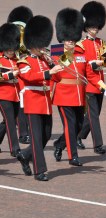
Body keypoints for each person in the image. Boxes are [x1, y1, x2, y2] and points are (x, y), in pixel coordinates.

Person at [16, 15, 63, 181]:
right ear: (32, 45)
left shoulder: (45, 61)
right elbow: (29, 77)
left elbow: (58, 79)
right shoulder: (24, 62)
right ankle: (39, 170)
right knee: (36, 137)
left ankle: (25, 155)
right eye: (40, 45)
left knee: (46, 135)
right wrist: (49, 71)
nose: (43, 47)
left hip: (45, 102)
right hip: (33, 102)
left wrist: (51, 65)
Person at [52, 8, 87, 166]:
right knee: (70, 125)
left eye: (72, 39)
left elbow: (89, 74)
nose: (70, 41)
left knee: (79, 125)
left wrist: (101, 85)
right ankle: (73, 156)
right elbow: (54, 76)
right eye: (67, 39)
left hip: (79, 94)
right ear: (63, 38)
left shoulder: (81, 53)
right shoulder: (56, 54)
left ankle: (59, 144)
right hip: (64, 95)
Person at [76, 1, 106, 154]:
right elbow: (81, 65)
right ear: (86, 27)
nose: (94, 30)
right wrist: (92, 63)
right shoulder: (81, 44)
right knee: (94, 117)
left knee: (94, 115)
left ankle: (78, 135)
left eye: (96, 27)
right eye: (92, 27)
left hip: (100, 83)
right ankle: (98, 145)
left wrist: (104, 61)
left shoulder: (101, 43)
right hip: (89, 84)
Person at [7, 5, 33, 145]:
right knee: (9, 118)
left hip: (22, 81)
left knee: (22, 107)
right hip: (9, 85)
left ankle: (24, 135)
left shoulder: (26, 45)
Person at [0, 23, 21, 157]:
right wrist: (10, 75)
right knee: (11, 122)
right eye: (9, 48)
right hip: (3, 94)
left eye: (13, 47)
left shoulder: (17, 59)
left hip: (16, 95)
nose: (11, 50)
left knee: (8, 120)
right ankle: (15, 148)